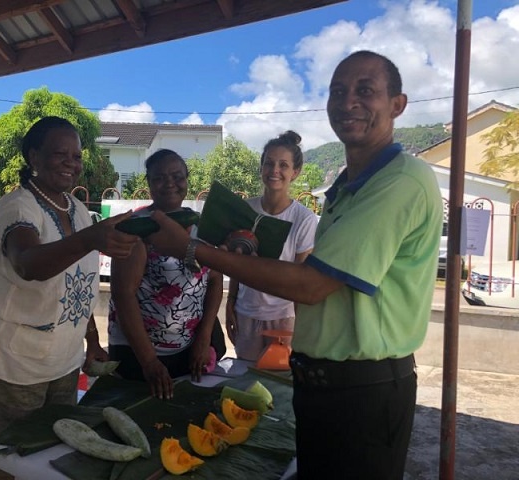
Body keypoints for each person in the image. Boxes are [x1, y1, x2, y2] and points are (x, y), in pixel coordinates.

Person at [146, 50, 443, 479]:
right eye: (338, 91)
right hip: (322, 381)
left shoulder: (399, 180)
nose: (348, 102)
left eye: (365, 90)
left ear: (397, 104)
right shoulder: (345, 188)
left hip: (362, 388)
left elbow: (311, 284)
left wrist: (194, 250)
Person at [0, 116, 139, 450]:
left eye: (76, 156)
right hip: (16, 359)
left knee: (54, 449)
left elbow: (79, 285)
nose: (71, 163)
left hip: (64, 358)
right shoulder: (17, 207)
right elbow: (28, 263)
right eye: (59, 154)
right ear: (33, 157)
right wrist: (91, 238)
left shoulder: (77, 208)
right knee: (12, 454)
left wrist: (91, 339)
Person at [108, 149, 223, 400]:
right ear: (148, 183)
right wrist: (149, 362)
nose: (170, 183)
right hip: (139, 353)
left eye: (177, 176)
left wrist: (204, 338)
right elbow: (123, 295)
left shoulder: (204, 227)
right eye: (159, 178)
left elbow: (214, 279)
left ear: (187, 180)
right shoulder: (136, 228)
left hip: (189, 347)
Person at [226, 131, 318, 361]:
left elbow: (302, 279)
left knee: (279, 383)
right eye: (269, 163)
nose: (274, 170)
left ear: (295, 173)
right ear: (261, 168)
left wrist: (303, 329)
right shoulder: (246, 210)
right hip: (245, 313)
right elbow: (237, 263)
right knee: (246, 382)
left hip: (284, 317)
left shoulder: (303, 219)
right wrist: (230, 303)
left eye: (283, 165)